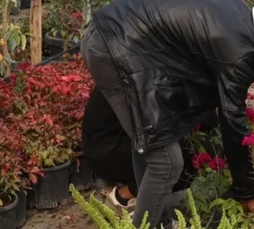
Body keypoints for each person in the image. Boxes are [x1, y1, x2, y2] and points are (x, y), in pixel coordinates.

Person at [81, 0, 254, 229]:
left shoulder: (233, 3)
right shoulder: (242, 53)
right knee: (167, 163)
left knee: (152, 146)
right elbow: (233, 125)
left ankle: (155, 221)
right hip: (114, 51)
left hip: (109, 36)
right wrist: (247, 193)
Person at [81, 87, 220, 210]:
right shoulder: (156, 72)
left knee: (199, 147)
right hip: (109, 153)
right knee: (191, 157)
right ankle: (123, 197)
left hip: (108, 146)